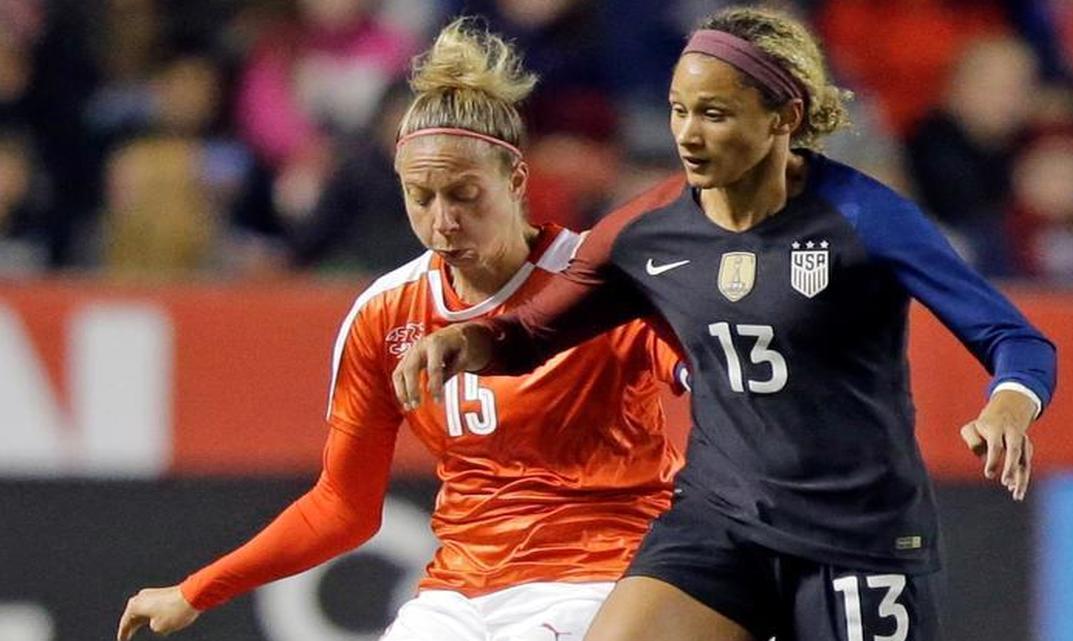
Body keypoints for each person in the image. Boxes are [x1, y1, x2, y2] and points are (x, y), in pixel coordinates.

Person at [393, 6, 1058, 641]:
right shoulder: (648, 228)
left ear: (782, 117)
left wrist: (1009, 403)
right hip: (720, 525)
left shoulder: (865, 218)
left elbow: (1014, 337)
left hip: (857, 537)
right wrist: (463, 341)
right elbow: (530, 333)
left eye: (713, 113)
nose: (686, 133)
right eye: (680, 110)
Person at [116, 18, 686, 641]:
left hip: (596, 577)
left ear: (516, 180)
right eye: (422, 197)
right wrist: (197, 590)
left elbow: (714, 395)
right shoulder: (387, 313)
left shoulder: (597, 286)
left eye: (466, 195)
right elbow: (343, 506)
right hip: (458, 595)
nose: (443, 222)